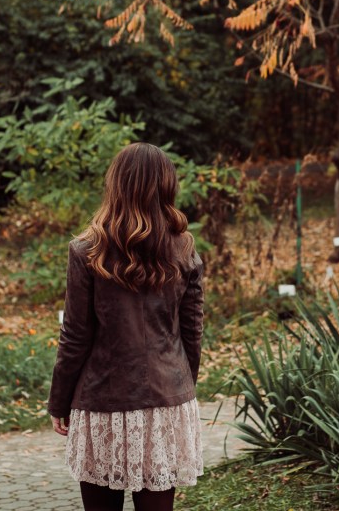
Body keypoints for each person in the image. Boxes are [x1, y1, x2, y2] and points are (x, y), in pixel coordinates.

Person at [48, 142, 205, 511]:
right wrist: (182, 387)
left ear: (116, 184)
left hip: (102, 399)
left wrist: (59, 401)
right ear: (166, 186)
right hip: (166, 400)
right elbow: (192, 333)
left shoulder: (87, 250)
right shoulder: (183, 249)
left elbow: (75, 335)